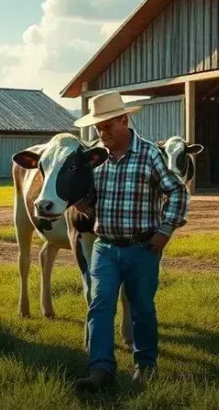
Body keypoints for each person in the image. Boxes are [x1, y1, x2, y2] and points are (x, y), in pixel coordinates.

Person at [72, 91, 190, 393]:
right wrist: (83, 202)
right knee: (99, 306)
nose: (103, 133)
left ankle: (145, 366)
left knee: (142, 309)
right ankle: (100, 369)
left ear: (125, 120)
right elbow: (92, 198)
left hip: (143, 248)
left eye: (108, 126)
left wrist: (165, 230)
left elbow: (177, 192)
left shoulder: (150, 154)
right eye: (98, 128)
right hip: (105, 247)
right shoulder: (96, 159)